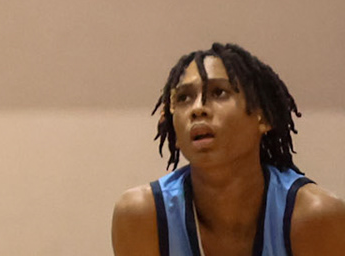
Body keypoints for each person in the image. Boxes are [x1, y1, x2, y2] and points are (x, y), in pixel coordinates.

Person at [112, 43, 345, 256]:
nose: (197, 109)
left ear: (264, 117)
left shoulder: (314, 216)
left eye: (219, 92)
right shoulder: (142, 215)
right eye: (183, 98)